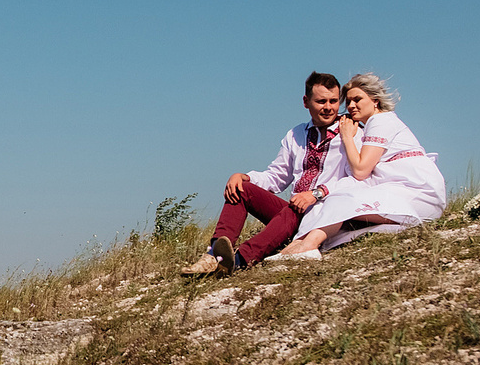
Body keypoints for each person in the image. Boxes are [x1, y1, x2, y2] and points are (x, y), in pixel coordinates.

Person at [180, 72, 352, 275]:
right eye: (321, 101)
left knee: (295, 209)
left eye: (334, 101)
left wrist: (316, 194)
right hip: (296, 210)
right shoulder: (296, 134)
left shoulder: (350, 130)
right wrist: (245, 177)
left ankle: (237, 261)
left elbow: (359, 177)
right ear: (306, 102)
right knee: (241, 188)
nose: (329, 107)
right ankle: (213, 256)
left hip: (326, 214)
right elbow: (277, 176)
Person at [272, 71, 448, 258]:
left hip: (417, 192)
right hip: (405, 192)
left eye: (357, 99)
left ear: (375, 101)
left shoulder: (381, 121)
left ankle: (308, 246)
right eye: (348, 101)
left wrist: (347, 137)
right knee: (337, 202)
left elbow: (361, 171)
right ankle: (296, 247)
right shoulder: (374, 124)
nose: (351, 106)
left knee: (340, 199)